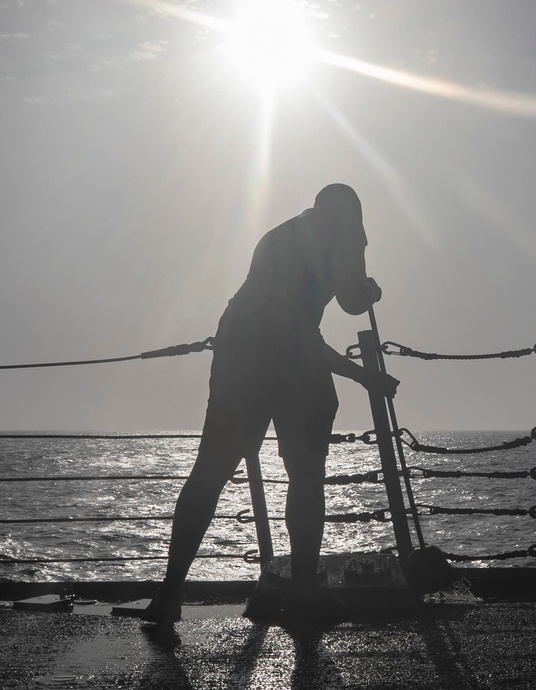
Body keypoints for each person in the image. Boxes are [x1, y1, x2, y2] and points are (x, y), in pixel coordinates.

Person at [142, 183, 398, 627]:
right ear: (350, 216)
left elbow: (296, 318)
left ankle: (168, 596)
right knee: (305, 473)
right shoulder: (347, 232)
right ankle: (303, 595)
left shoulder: (281, 235)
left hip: (237, 352)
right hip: (284, 359)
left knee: (210, 470)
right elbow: (343, 307)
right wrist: (364, 365)